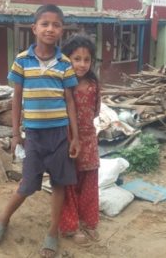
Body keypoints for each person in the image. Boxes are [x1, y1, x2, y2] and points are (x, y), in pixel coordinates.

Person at [0, 4, 80, 258]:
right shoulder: (21, 60)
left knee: (59, 184)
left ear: (62, 30)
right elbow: (16, 98)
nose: (50, 29)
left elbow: (70, 100)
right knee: (27, 184)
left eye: (56, 24)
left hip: (60, 135)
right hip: (34, 137)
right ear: (34, 28)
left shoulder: (64, 63)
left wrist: (76, 137)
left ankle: (52, 233)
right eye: (45, 24)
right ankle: (4, 218)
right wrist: (16, 133)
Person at [59, 34, 101, 244]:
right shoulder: (62, 85)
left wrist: (86, 133)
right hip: (67, 139)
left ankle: (89, 221)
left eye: (87, 59)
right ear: (67, 59)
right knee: (69, 182)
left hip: (89, 138)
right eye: (77, 59)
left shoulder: (93, 83)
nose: (82, 64)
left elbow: (95, 112)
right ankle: (70, 225)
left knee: (89, 180)